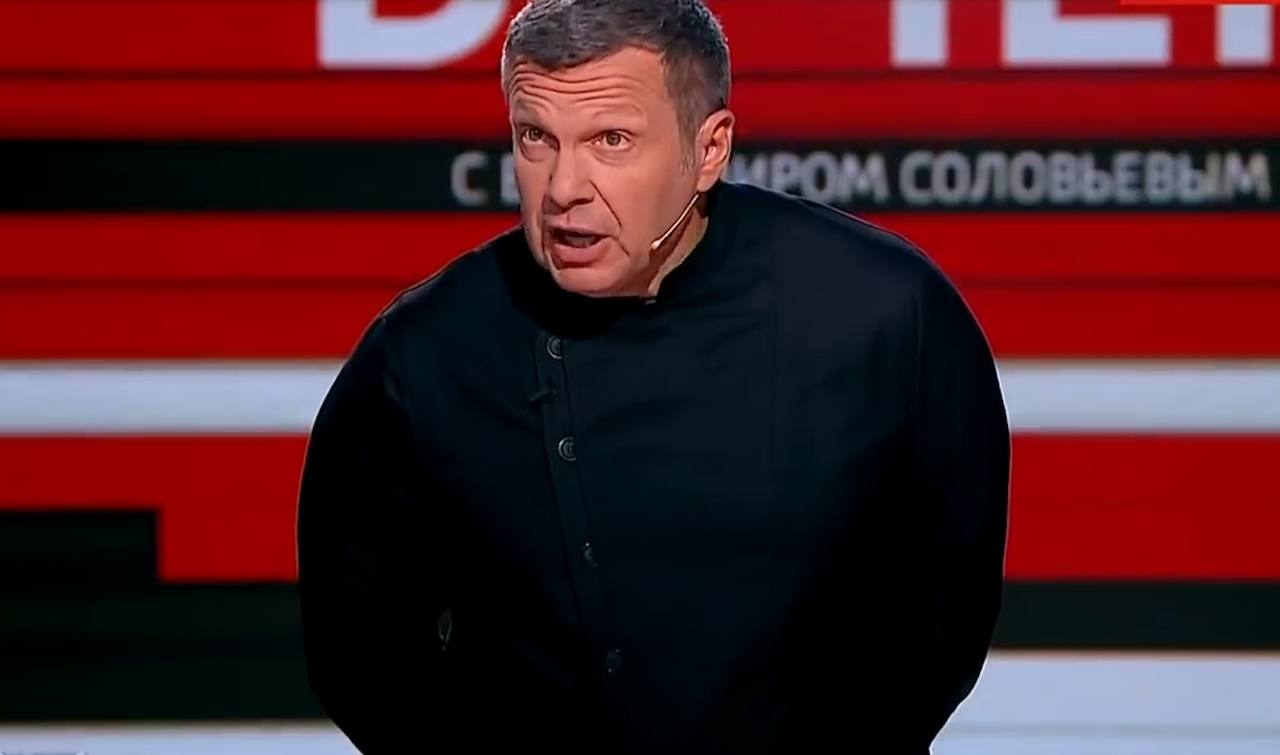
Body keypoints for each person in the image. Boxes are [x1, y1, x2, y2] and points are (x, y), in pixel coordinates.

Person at [295, 1, 1011, 753]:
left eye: (611, 140)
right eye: (536, 138)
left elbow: (947, 608)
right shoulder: (424, 352)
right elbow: (356, 648)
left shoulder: (884, 314)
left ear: (709, 149)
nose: (563, 187)